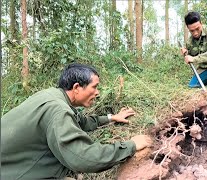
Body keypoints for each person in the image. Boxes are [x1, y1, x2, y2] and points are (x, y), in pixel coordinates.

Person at [1, 63, 153, 179]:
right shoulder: (58, 110)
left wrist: (111, 117)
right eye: (95, 87)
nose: (97, 92)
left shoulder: (52, 96)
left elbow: (79, 121)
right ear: (77, 88)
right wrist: (130, 146)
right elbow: (84, 158)